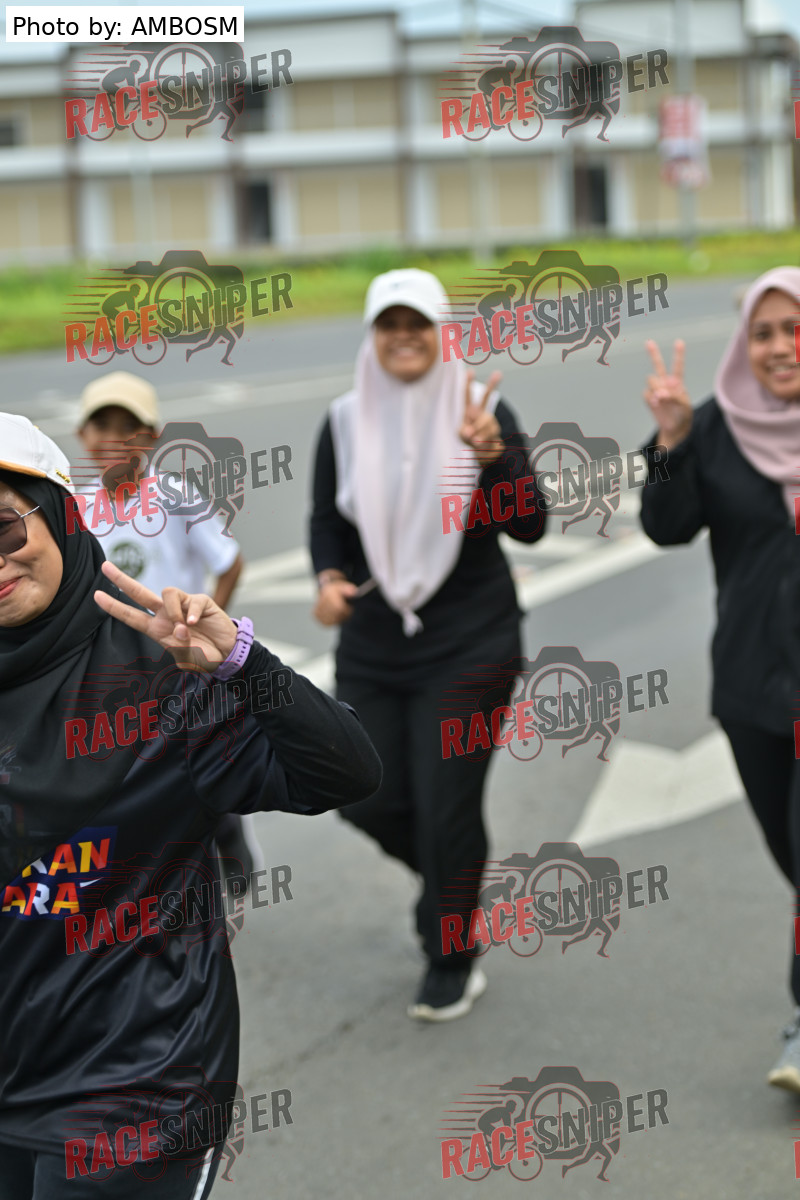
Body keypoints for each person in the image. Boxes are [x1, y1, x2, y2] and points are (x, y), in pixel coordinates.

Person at [0, 413, 381, 1197]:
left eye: (5, 529)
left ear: (63, 516)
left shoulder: (162, 677)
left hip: (136, 1090)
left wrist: (243, 663)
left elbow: (346, 772)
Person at [309, 268, 547, 1022]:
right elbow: (327, 520)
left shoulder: (481, 409)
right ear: (373, 335)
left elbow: (530, 524)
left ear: (443, 334)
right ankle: (452, 885)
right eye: (390, 324)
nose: (405, 337)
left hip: (472, 639)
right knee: (362, 790)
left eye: (420, 324)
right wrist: (328, 577)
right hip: (374, 643)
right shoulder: (344, 420)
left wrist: (495, 458)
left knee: (447, 805)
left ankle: (450, 955)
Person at [637, 266, 800, 1090]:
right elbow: (666, 528)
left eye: (794, 328)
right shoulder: (714, 427)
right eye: (763, 333)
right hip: (751, 683)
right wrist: (669, 444)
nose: (780, 346)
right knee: (788, 852)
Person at [75, 371, 259, 889]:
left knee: (198, 759)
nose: (115, 439)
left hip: (180, 664)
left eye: (128, 428)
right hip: (113, 669)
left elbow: (229, 561)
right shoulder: (77, 509)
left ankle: (230, 840)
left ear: (153, 437)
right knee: (135, 774)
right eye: (102, 426)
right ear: (83, 436)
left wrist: (203, 632)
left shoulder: (174, 495)